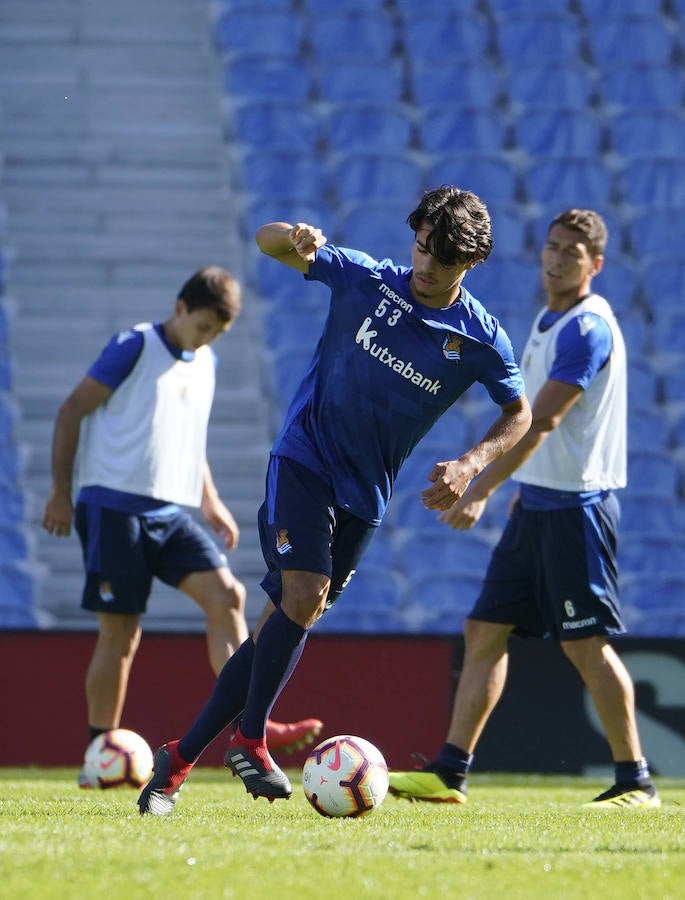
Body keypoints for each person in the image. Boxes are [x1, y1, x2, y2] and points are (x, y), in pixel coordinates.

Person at [137, 185, 532, 816]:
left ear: (472, 266)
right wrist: (292, 236)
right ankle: (251, 738)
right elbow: (267, 242)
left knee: (287, 620)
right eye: (423, 248)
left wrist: (470, 462)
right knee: (304, 593)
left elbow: (519, 414)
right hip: (304, 458)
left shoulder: (481, 339)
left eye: (445, 261)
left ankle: (176, 760)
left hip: (366, 494)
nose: (426, 267)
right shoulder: (366, 279)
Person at [388, 208, 660, 809]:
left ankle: (636, 779)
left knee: (585, 644)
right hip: (536, 505)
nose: (557, 259)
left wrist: (478, 483)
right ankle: (449, 772)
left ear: (595, 264)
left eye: (572, 251)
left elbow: (541, 423)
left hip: (575, 510)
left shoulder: (586, 328)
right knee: (483, 630)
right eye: (552, 246)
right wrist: (512, 493)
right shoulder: (550, 318)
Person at [41, 266, 322, 787]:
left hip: (170, 513)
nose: (209, 338)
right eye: (204, 327)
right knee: (121, 635)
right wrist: (60, 492)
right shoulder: (134, 347)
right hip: (113, 508)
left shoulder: (207, 362)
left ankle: (249, 725)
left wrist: (210, 502)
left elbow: (190, 441)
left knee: (228, 596)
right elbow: (69, 412)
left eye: (218, 332)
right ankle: (98, 753)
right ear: (179, 308)